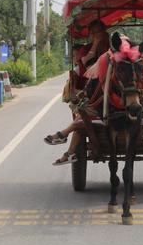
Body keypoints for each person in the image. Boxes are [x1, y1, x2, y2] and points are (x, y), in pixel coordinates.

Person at [46, 20, 110, 165]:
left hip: (110, 89)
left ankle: (64, 138)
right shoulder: (86, 50)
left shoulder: (112, 48)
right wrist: (95, 45)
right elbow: (86, 67)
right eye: (93, 33)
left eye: (99, 32)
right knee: (82, 116)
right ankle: (68, 148)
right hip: (90, 91)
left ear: (105, 33)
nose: (97, 35)